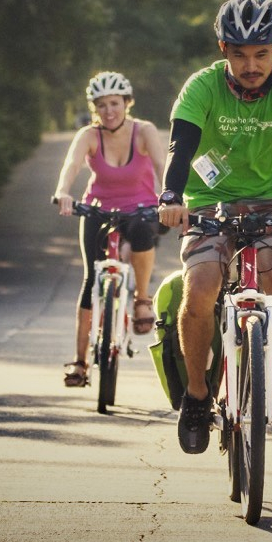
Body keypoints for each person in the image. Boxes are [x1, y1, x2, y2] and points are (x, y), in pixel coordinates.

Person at [158, 0, 272, 454]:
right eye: (239, 54)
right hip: (210, 200)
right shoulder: (201, 86)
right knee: (199, 286)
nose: (251, 64)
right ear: (223, 49)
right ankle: (198, 397)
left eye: (261, 53)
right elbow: (181, 148)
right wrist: (170, 197)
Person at [54, 71, 165, 387]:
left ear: (127, 103)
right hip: (97, 208)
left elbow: (161, 166)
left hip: (141, 208)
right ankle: (80, 362)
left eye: (114, 103)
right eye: (101, 105)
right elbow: (71, 166)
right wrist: (64, 192)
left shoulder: (144, 132)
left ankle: (142, 299)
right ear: (94, 108)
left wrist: (170, 198)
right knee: (91, 280)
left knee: (144, 233)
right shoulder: (89, 135)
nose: (108, 111)